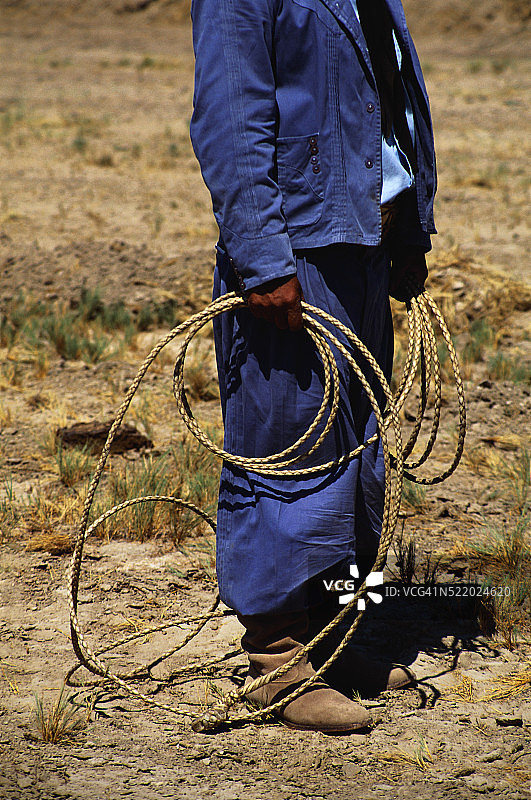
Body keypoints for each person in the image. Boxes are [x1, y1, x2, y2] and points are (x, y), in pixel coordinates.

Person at [189, 0, 436, 732]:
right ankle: (277, 658)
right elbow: (232, 120)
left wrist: (410, 231)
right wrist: (262, 259)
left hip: (363, 240)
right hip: (298, 249)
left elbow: (392, 100)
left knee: (354, 449)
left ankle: (334, 639)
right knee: (289, 448)